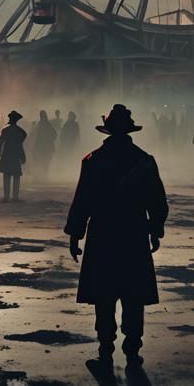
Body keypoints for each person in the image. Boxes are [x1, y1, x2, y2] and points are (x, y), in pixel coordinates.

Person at [65, 104, 168, 372]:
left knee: (104, 293)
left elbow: (82, 201)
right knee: (133, 293)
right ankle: (133, 350)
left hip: (103, 233)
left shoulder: (93, 160)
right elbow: (157, 200)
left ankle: (105, 351)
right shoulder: (144, 161)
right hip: (134, 232)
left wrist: (76, 234)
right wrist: (155, 230)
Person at [0, 111, 27, 201]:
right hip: (16, 154)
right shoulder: (21, 132)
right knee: (16, 176)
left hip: (6, 154)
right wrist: (22, 156)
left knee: (7, 175)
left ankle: (6, 197)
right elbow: (20, 145)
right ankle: (15, 197)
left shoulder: (5, 130)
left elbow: (0, 143)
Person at [33, 110, 57, 180]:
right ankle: (40, 176)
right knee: (40, 161)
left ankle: (44, 176)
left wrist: (49, 141)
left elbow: (54, 134)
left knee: (45, 161)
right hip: (40, 146)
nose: (41, 117)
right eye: (41, 116)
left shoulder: (47, 124)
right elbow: (37, 136)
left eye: (42, 116)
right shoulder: (40, 124)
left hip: (46, 147)